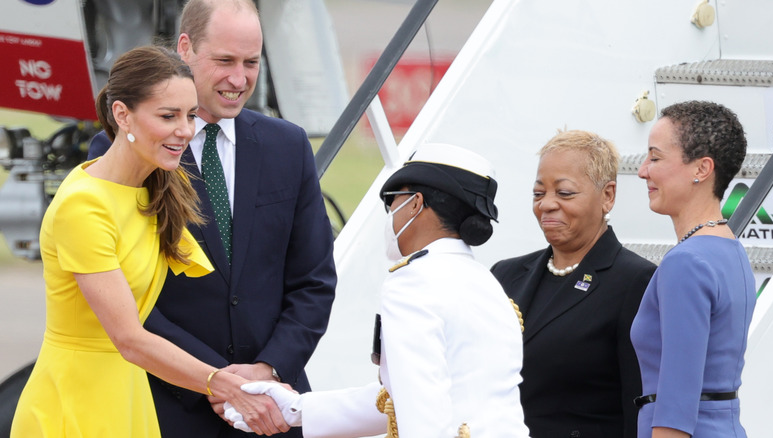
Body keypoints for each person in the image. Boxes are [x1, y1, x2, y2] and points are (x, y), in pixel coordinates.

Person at [87, 0, 337, 437]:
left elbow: (313, 281)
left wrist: (267, 370)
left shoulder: (288, 146)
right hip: (167, 408)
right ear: (185, 48)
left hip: (272, 407)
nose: (239, 79)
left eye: (251, 62)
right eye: (224, 61)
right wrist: (218, 382)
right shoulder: (122, 153)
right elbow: (127, 296)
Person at [11, 45, 282, 437]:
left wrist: (262, 370)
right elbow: (129, 338)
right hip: (77, 400)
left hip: (129, 391)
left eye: (190, 115)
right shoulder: (84, 207)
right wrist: (225, 385)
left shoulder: (161, 183)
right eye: (168, 116)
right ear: (122, 115)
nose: (185, 130)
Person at [224, 143, 530, 437]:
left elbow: (422, 411)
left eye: (393, 200)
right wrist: (298, 408)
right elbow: (404, 396)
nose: (391, 212)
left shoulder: (413, 282)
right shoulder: (487, 283)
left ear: (415, 204)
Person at [491, 130, 656, 438]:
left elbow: (640, 404)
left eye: (564, 193)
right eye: (539, 194)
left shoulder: (636, 281)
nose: (547, 205)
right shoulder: (505, 275)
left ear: (608, 196)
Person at [631, 101, 756, 438]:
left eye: (655, 157)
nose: (643, 170)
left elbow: (676, 409)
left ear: (701, 169)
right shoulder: (730, 249)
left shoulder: (685, 262)